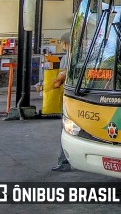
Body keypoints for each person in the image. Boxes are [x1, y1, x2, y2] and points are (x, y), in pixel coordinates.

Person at [52, 33, 71, 172]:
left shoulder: (67, 57)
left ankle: (64, 161)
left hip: (69, 98)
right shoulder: (87, 55)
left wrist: (49, 85)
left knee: (67, 129)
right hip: (81, 97)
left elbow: (59, 79)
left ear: (64, 44)